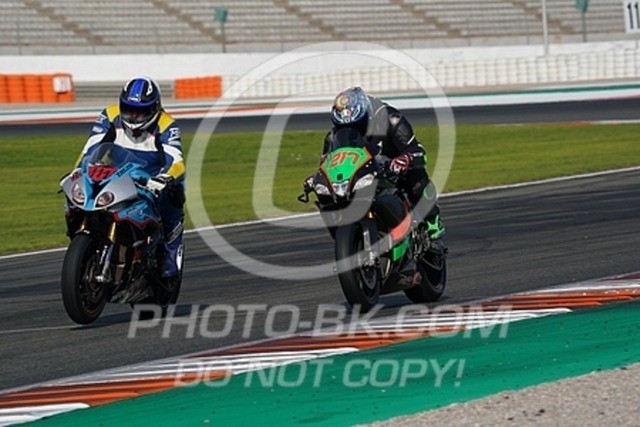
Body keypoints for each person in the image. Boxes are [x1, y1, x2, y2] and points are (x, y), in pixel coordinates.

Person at [74, 76, 185, 281]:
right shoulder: (109, 115)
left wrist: (165, 179)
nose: (133, 116)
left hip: (151, 179)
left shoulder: (167, 124)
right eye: (129, 109)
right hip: (116, 173)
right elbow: (91, 147)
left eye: (141, 111)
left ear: (155, 109)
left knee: (172, 198)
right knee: (80, 194)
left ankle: (171, 253)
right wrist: (79, 170)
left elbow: (176, 160)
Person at [314, 86, 445, 245]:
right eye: (342, 128)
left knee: (416, 179)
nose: (351, 131)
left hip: (392, 168)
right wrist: (317, 177)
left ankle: (432, 219)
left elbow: (418, 151)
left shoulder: (392, 120)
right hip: (363, 173)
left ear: (367, 117)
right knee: (329, 197)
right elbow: (328, 163)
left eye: (357, 125)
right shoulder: (333, 136)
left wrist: (404, 160)